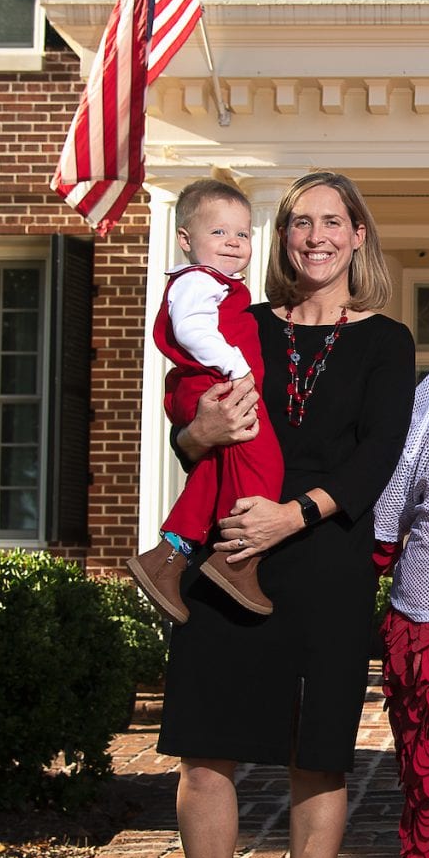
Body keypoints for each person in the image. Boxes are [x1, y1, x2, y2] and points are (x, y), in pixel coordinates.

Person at [152, 171, 415, 858]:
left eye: (332, 222)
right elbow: (189, 423)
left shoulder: (386, 340)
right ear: (282, 238)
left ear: (359, 236)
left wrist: (292, 515)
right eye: (299, 222)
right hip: (227, 550)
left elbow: (377, 458)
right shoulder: (241, 322)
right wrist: (198, 434)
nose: (314, 237)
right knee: (204, 751)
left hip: (324, 561)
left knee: (318, 758)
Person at [125, 179, 283, 620]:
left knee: (214, 471)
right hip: (214, 386)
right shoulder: (198, 281)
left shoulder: (217, 283)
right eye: (218, 232)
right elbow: (192, 330)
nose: (233, 242)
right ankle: (238, 558)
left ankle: (167, 557)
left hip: (212, 384)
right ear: (185, 240)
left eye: (242, 234)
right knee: (265, 463)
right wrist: (237, 368)